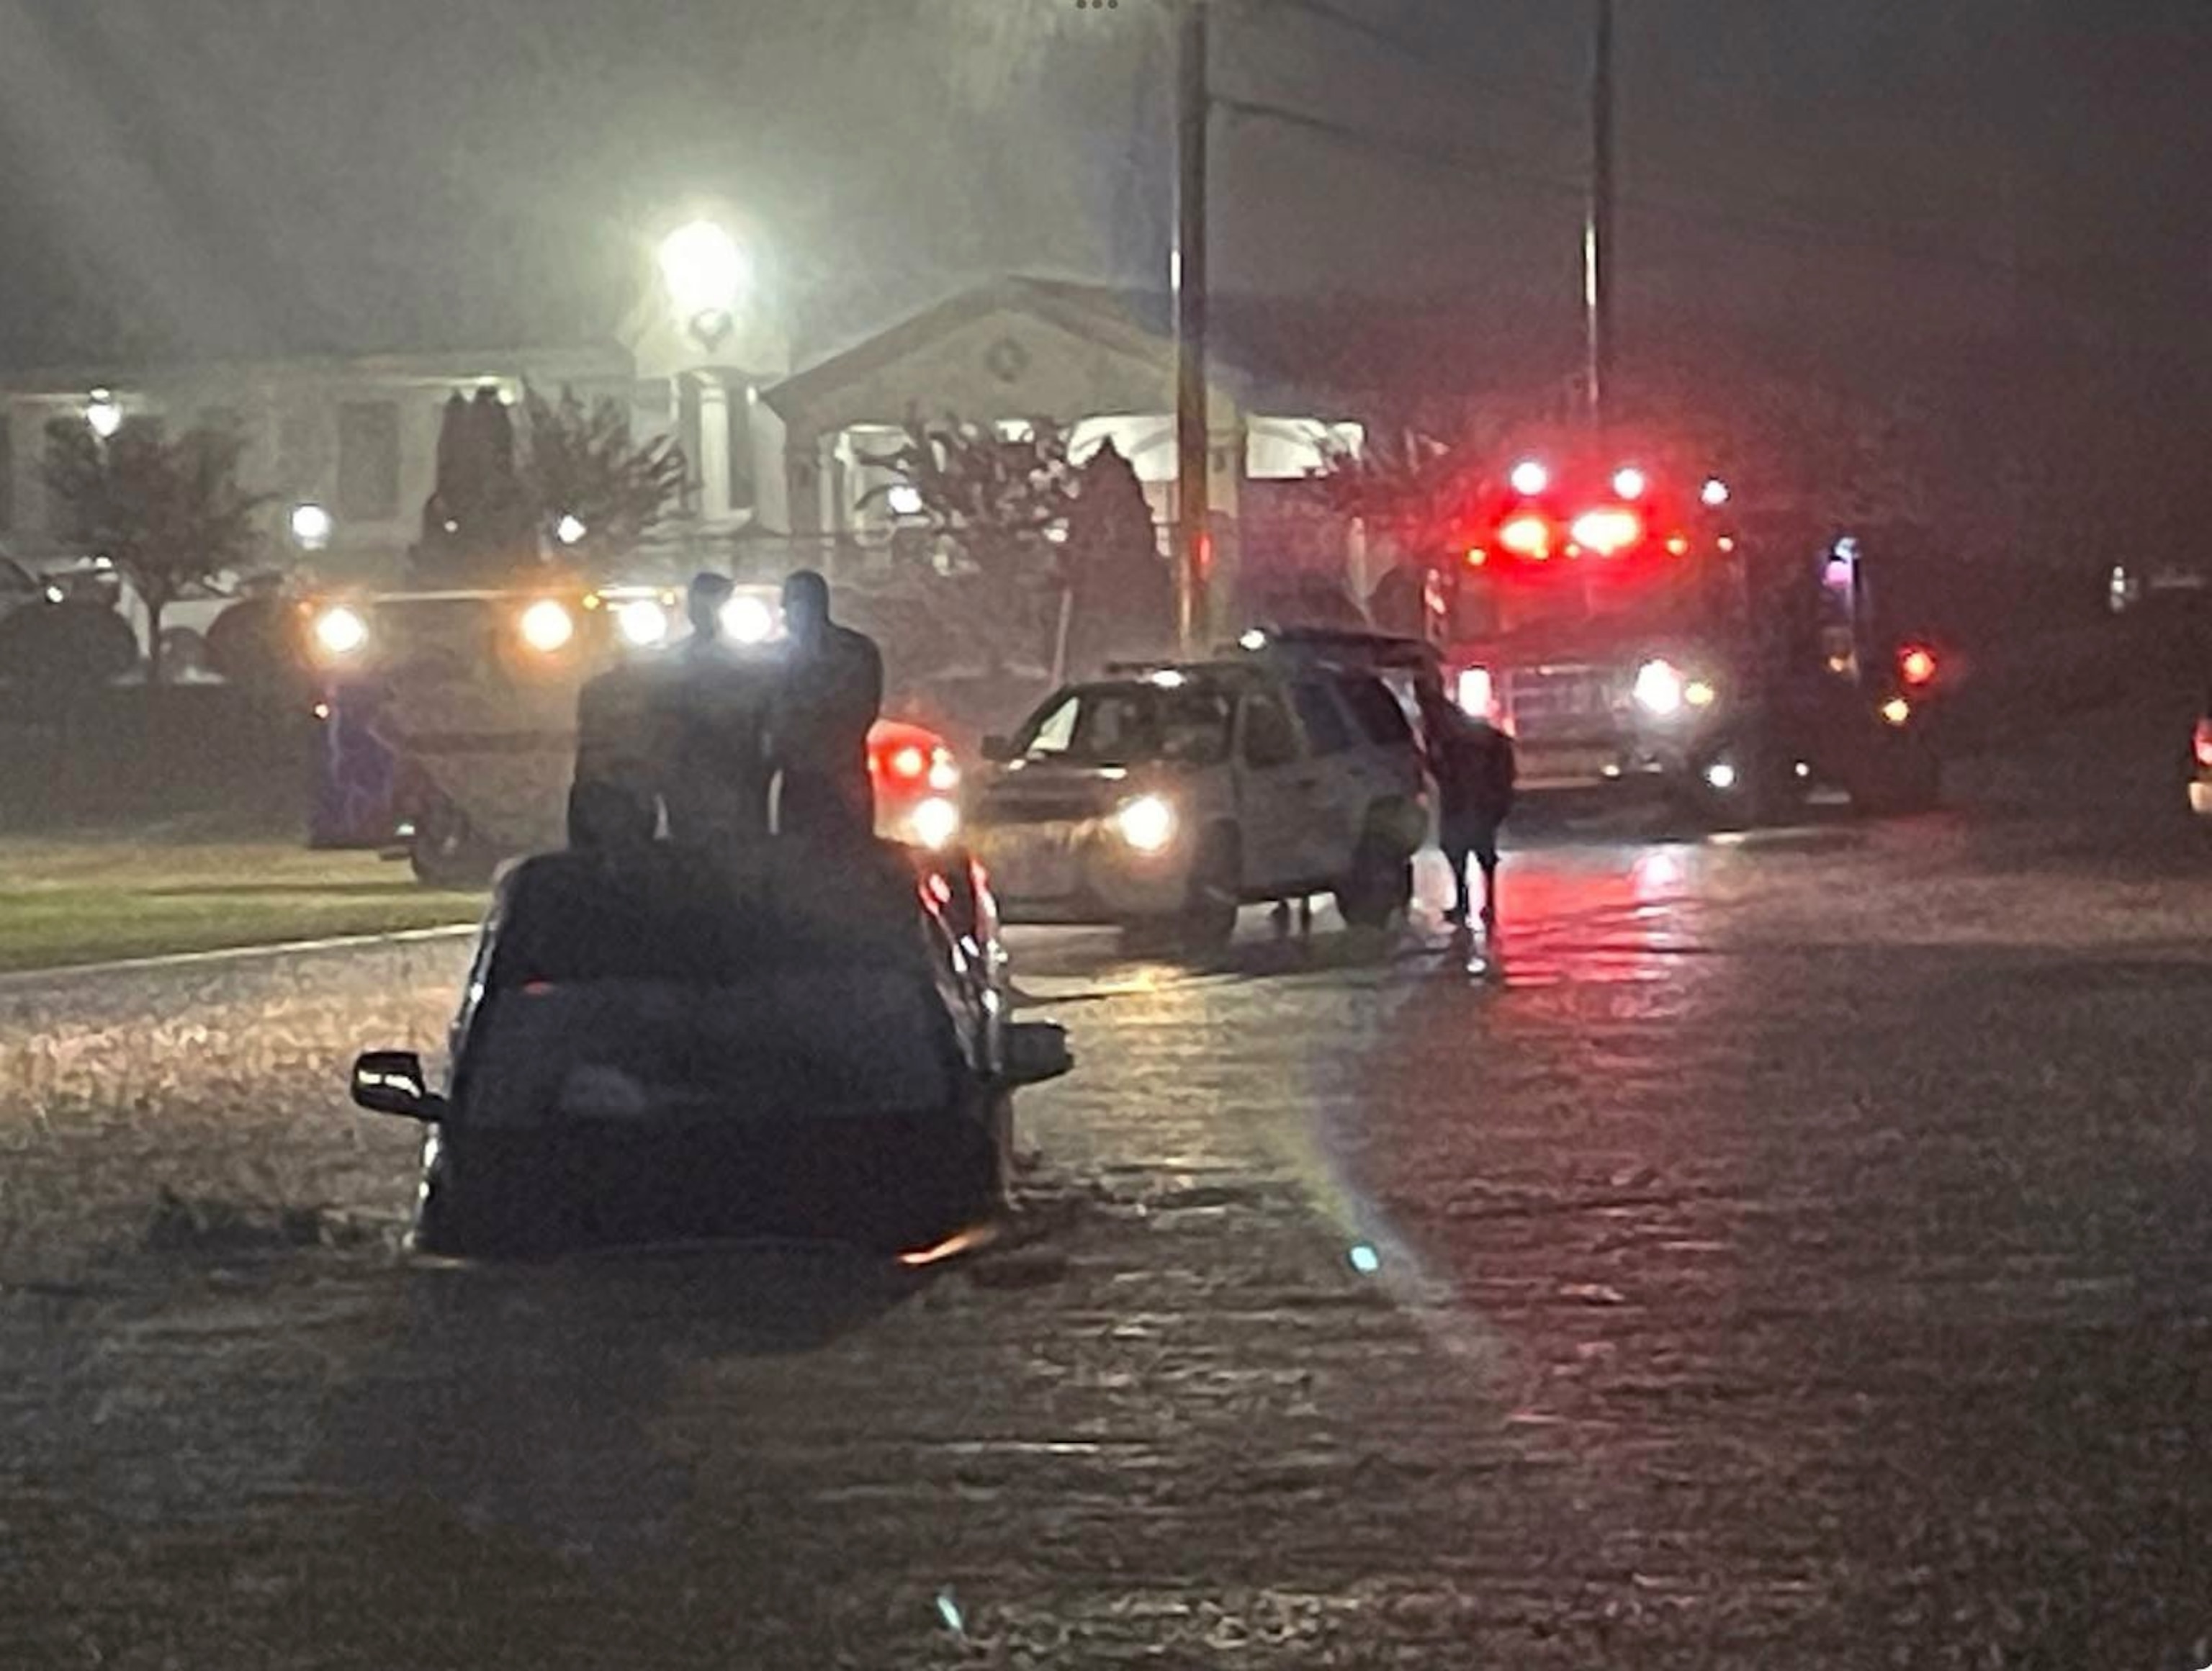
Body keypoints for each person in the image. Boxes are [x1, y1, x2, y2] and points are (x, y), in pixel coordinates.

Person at [652, 572, 778, 848]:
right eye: (698, 605)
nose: (702, 612)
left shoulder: (749, 663)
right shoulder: (672, 661)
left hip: (733, 776)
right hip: (692, 778)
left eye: (708, 604)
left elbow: (763, 723)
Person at [770, 569, 884, 843]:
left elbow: (862, 709)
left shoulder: (852, 652)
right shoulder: (856, 649)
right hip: (817, 776)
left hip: (830, 775)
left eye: (794, 603)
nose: (787, 613)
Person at [1419, 687, 1516, 932]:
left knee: (1462, 845)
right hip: (1475, 795)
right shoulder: (1450, 730)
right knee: (1473, 846)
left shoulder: (1448, 733)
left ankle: (1468, 903)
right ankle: (1480, 902)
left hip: (1470, 794)